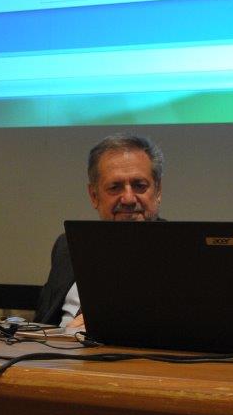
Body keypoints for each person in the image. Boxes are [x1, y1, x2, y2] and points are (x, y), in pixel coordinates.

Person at [34, 133, 164, 328]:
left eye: (139, 185)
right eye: (115, 187)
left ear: (158, 191)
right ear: (94, 196)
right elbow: (41, 321)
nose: (128, 199)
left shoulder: (180, 251)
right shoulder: (67, 246)